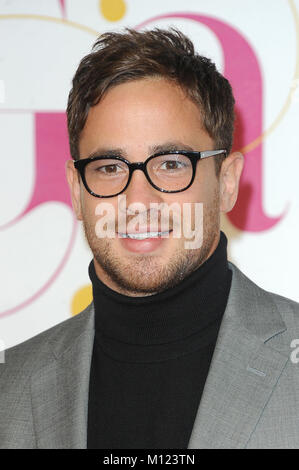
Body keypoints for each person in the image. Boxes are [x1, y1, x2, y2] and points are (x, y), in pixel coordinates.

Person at [0, 27, 298, 450]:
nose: (137, 200)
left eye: (172, 164)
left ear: (227, 181)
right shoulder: (9, 387)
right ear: (75, 188)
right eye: (109, 167)